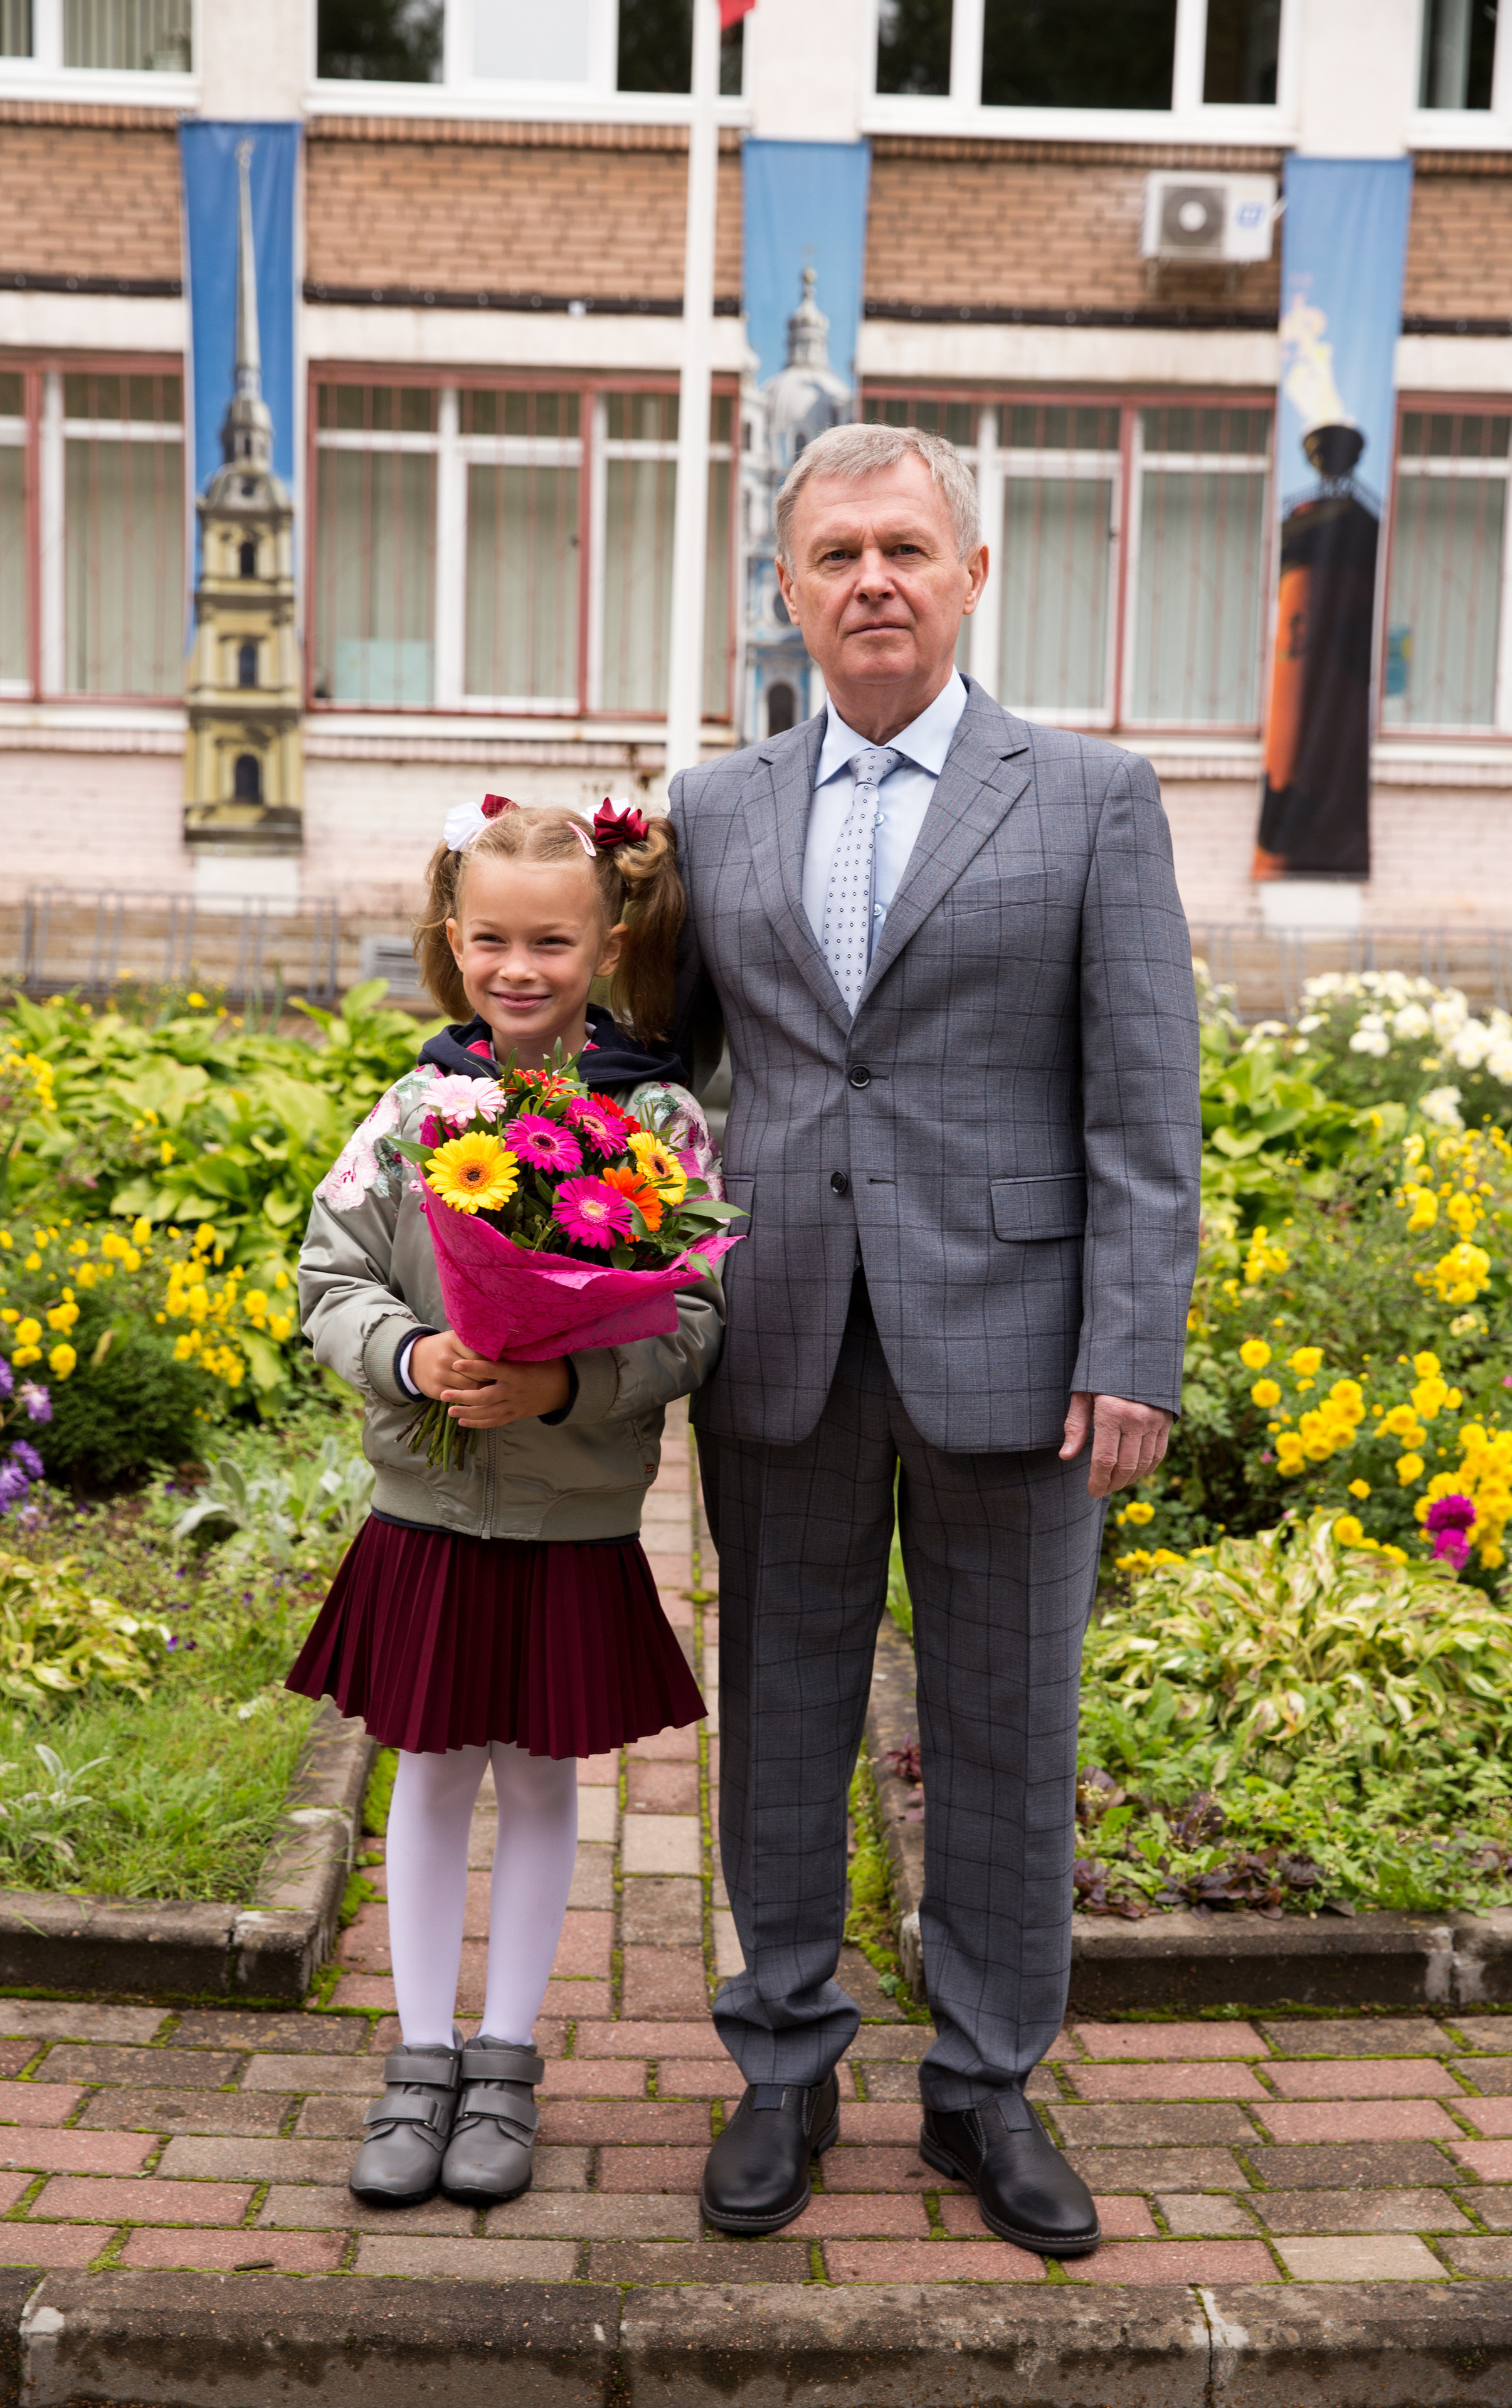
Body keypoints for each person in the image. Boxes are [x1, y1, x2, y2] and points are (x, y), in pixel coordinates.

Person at [670, 422, 1201, 2256]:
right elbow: (656, 1064)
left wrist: (1133, 1343)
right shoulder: (715, 809)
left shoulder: (1089, 798)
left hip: (1028, 1348)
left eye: (906, 547)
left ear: (972, 577)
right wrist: (490, 1101)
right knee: (779, 1722)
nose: (872, 579)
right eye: (836, 555)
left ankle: (985, 2089)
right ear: (791, 592)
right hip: (786, 1345)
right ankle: (786, 2063)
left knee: (1005, 1725)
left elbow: (1145, 1107)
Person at [290, 798, 721, 2210]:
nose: (517, 967)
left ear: (607, 945)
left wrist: (562, 1396)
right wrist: (411, 1353)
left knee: (538, 1780)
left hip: (570, 1515)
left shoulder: (655, 1123)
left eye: (551, 940)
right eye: (491, 939)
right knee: (430, 1771)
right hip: (429, 1505)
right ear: (451, 941)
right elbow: (326, 1279)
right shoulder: (414, 1115)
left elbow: (691, 1321)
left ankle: (505, 2062)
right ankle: (417, 2063)